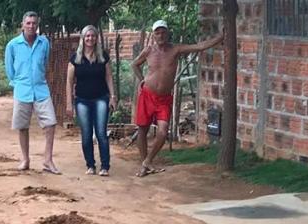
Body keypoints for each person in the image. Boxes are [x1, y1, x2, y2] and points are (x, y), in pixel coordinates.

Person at [132, 19, 224, 177]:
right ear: (153, 35)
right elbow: (135, 64)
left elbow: (199, 46)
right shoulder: (148, 51)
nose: (160, 35)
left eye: (163, 32)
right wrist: (142, 80)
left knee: (162, 131)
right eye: (157, 32)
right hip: (147, 94)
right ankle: (144, 164)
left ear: (168, 33)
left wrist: (221, 37)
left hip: (164, 98)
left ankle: (147, 161)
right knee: (142, 129)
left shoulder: (176, 49)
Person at [5, 11, 60, 174]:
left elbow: (45, 62)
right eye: (28, 23)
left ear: (38, 25)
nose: (31, 26)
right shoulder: (13, 45)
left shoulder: (44, 43)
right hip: (22, 90)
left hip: (41, 89)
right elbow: (9, 69)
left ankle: (48, 160)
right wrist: (17, 83)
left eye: (34, 23)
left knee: (50, 123)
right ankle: (25, 159)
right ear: (23, 25)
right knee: (22, 126)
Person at [65, 25, 117, 177]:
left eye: (93, 36)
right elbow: (68, 82)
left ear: (96, 39)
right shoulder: (75, 58)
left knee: (101, 133)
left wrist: (112, 96)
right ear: (83, 38)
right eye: (87, 36)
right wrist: (69, 104)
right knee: (86, 133)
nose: (90, 38)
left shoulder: (103, 57)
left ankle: (105, 166)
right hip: (82, 100)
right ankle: (90, 165)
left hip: (101, 98)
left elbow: (108, 77)